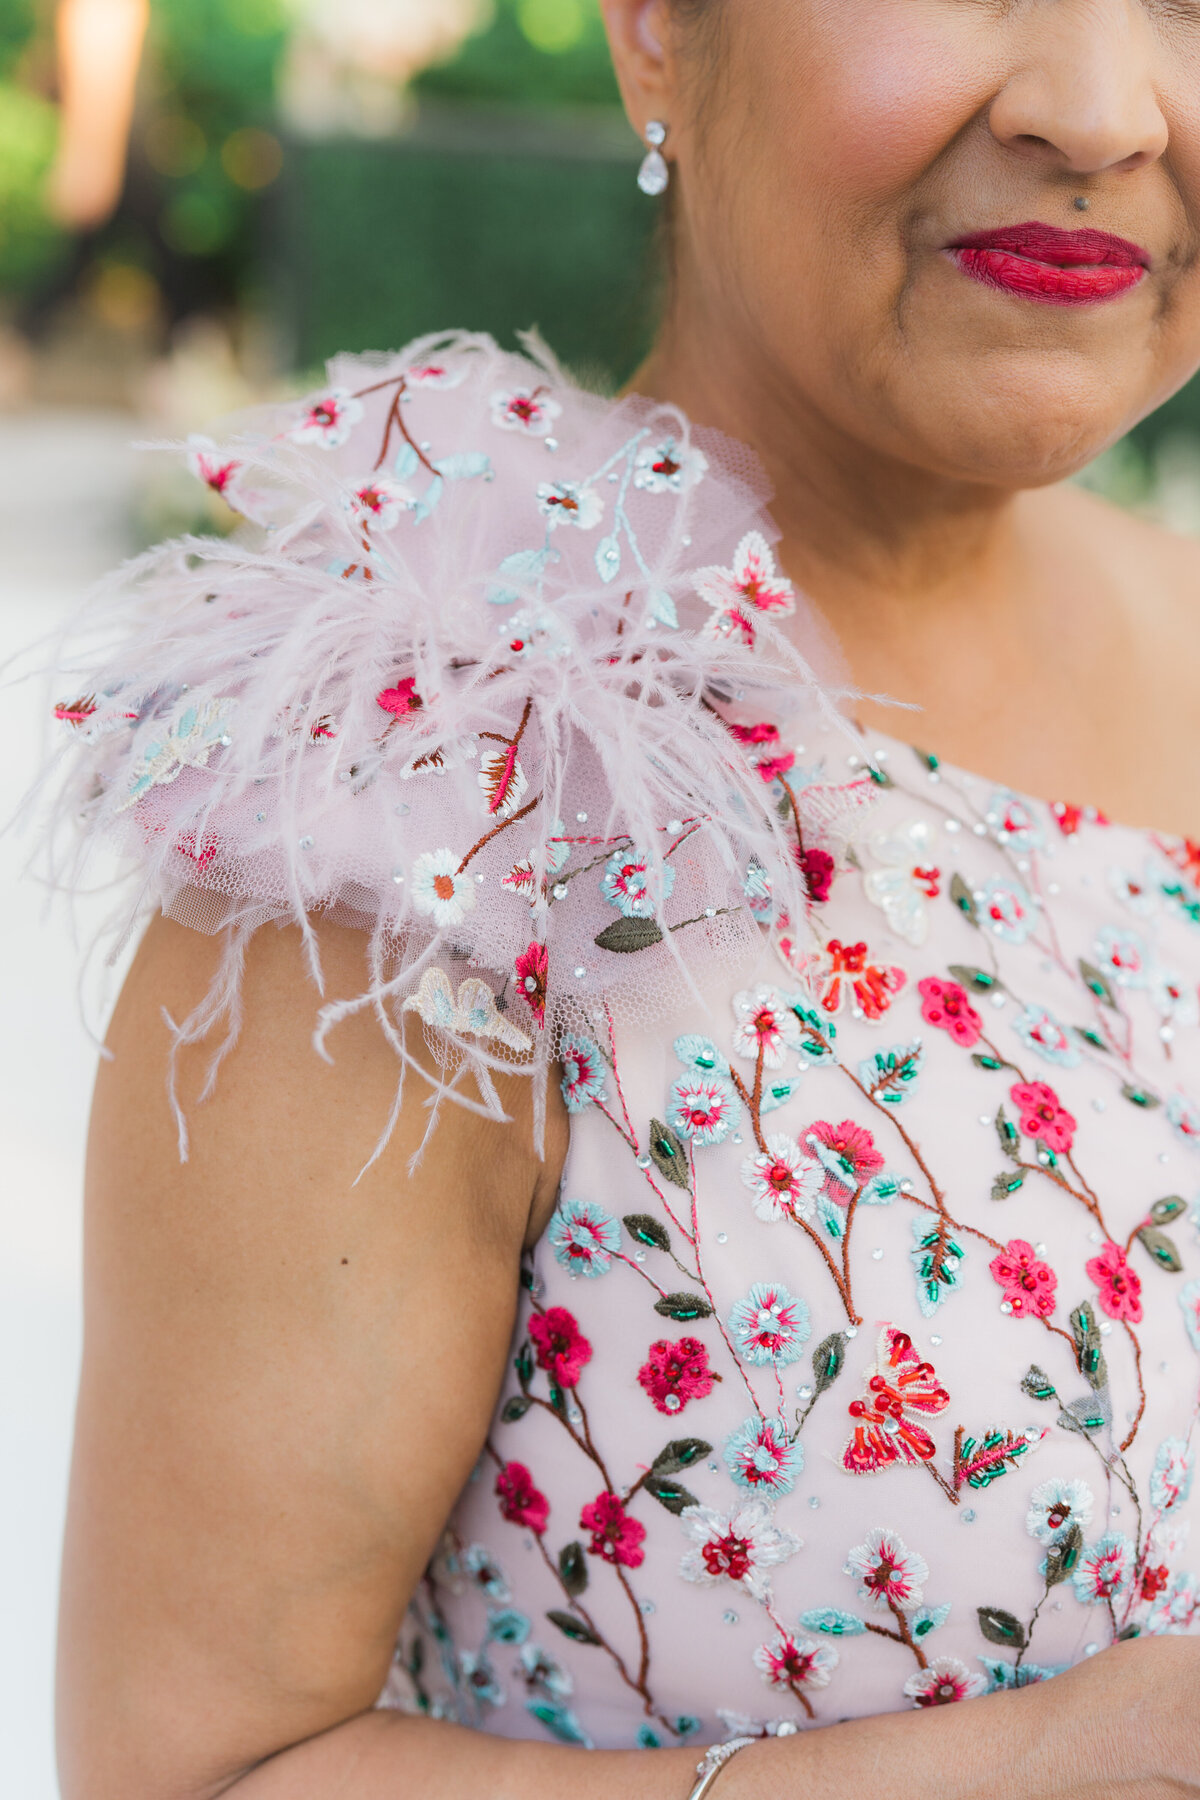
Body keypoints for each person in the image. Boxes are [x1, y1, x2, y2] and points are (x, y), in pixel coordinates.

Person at [40, 2, 1200, 1796]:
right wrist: (1064, 1770)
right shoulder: (439, 779)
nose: (1103, 109)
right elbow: (194, 1767)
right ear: (659, 30)